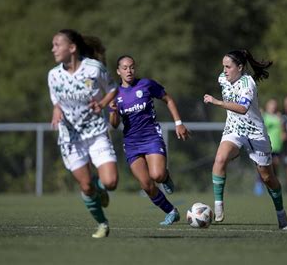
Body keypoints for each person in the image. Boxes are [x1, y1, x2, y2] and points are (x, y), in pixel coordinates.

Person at [203, 49, 287, 230]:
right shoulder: (222, 79)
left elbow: (242, 109)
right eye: (223, 66)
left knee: (267, 177)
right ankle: (218, 207)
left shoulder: (248, 83)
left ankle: (280, 211)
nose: (224, 70)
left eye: (228, 67)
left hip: (255, 133)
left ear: (240, 67)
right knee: (220, 159)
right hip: (234, 130)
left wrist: (218, 102)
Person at [48, 29, 118, 238]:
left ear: (72, 48)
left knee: (111, 183)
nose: (53, 49)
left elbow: (113, 88)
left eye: (57, 44)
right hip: (70, 138)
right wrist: (56, 110)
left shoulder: (94, 69)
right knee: (86, 186)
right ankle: (102, 224)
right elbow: (56, 100)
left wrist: (103, 103)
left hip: (96, 132)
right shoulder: (53, 75)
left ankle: (101, 188)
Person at [108, 55, 190, 226]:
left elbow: (168, 99)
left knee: (157, 175)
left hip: (151, 136)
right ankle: (171, 211)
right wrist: (113, 111)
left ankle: (165, 177)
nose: (128, 71)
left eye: (131, 67)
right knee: (146, 185)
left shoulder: (146, 84)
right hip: (131, 143)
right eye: (124, 68)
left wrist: (179, 123)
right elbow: (114, 125)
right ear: (118, 71)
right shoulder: (115, 94)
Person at [254, 98, 284, 196]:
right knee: (263, 166)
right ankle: (259, 184)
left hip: (276, 145)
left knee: (275, 166)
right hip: (265, 144)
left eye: (274, 105)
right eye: (271, 105)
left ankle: (274, 186)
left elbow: (283, 130)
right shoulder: (264, 116)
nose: (273, 107)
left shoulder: (279, 117)